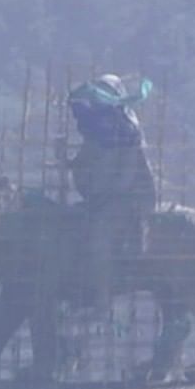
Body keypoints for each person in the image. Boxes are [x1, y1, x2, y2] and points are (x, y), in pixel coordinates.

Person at [67, 74, 157, 308]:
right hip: (99, 198)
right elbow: (85, 159)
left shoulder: (127, 130)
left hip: (126, 199)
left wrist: (108, 195)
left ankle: (102, 298)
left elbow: (128, 173)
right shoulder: (98, 129)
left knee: (100, 238)